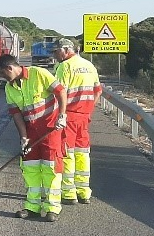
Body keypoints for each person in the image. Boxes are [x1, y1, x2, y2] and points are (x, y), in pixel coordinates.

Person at [0, 53, 69, 222]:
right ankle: (32, 206)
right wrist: (24, 137)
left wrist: (62, 115)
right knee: (30, 168)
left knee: (51, 168)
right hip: (31, 131)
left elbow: (61, 92)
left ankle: (52, 208)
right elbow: (16, 115)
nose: (2, 77)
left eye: (2, 73)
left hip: (51, 129)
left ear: (10, 68)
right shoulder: (9, 88)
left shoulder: (38, 74)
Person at [52, 37, 103, 204]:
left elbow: (60, 93)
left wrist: (60, 114)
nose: (55, 54)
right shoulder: (89, 65)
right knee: (83, 154)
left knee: (67, 154)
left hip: (69, 116)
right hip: (84, 117)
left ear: (66, 50)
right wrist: (88, 111)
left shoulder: (64, 67)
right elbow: (98, 91)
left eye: (57, 51)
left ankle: (69, 193)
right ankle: (84, 191)